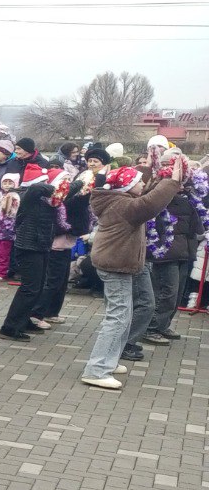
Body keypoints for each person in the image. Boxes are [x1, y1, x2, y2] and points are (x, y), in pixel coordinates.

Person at [80, 166, 180, 389]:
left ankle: (109, 360)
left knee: (121, 316)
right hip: (115, 266)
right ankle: (97, 370)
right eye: (139, 181)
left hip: (116, 264)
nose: (143, 184)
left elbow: (147, 198)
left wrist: (163, 179)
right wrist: (171, 182)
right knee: (118, 318)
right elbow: (150, 204)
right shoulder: (123, 205)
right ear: (127, 186)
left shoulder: (117, 200)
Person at [0, 165, 56, 342]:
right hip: (28, 247)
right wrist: (55, 185)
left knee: (38, 287)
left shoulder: (42, 199)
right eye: (45, 182)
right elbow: (36, 188)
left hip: (41, 245)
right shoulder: (26, 195)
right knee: (29, 288)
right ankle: (10, 327)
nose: (47, 185)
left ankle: (24, 320)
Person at [145, 178, 202, 342]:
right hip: (165, 252)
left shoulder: (188, 200)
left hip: (185, 250)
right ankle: (151, 328)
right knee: (166, 292)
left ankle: (163, 325)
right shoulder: (158, 199)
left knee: (177, 293)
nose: (182, 186)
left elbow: (197, 226)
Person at [30, 170, 89, 326]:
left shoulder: (66, 197)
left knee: (62, 281)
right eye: (64, 179)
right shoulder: (53, 200)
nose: (68, 183)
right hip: (55, 244)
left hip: (66, 243)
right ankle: (36, 314)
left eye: (69, 179)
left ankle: (51, 311)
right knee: (52, 280)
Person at [0, 174, 20, 280]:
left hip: (7, 231)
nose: (7, 185)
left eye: (10, 183)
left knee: (3, 253)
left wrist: (8, 203)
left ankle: (1, 272)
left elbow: (12, 213)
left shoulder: (15, 196)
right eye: (5, 182)